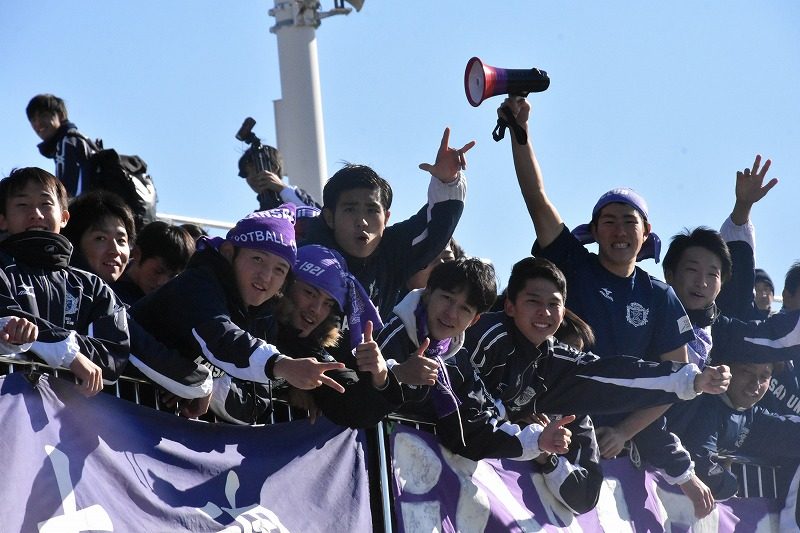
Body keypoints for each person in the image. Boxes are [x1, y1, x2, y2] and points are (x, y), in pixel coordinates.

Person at [501, 96, 696, 476]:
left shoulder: (660, 296)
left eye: (629, 221)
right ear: (593, 231)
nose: (619, 231)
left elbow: (677, 380)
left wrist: (624, 432)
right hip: (554, 429)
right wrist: (520, 132)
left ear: (646, 232)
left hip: (617, 454)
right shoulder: (574, 265)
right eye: (608, 222)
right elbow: (536, 199)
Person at [456, 257, 731, 515]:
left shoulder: (556, 361)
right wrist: (526, 434)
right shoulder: (484, 336)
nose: (544, 312)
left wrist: (692, 380)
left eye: (553, 304)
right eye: (533, 301)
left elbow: (614, 375)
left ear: (563, 311)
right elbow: (467, 424)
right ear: (510, 306)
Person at [131, 204, 349, 416]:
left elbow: (256, 403)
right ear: (228, 253)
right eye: (258, 259)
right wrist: (281, 364)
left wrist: (210, 386)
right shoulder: (197, 283)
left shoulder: (264, 316)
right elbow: (220, 336)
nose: (266, 277)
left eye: (279, 269)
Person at [377, 257, 575, 462]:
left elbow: (475, 430)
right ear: (428, 293)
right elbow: (362, 400)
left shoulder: (457, 359)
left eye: (465, 309)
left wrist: (538, 440)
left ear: (474, 320)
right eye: (447, 298)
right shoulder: (393, 332)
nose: (451, 314)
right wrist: (395, 375)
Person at [213, 244, 403, 426]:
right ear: (284, 286)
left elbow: (356, 411)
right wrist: (284, 385)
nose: (316, 309)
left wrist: (380, 376)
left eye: (328, 303)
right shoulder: (239, 316)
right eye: (310, 293)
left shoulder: (311, 350)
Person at [302, 127, 473, 320]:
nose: (362, 222)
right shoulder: (300, 258)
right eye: (350, 209)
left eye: (372, 210)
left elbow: (435, 228)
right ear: (329, 218)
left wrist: (448, 181)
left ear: (386, 218)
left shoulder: (392, 253)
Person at [0, 167, 129, 396]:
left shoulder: (92, 287)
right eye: (22, 205)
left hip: (69, 414)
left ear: (64, 217)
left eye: (46, 204)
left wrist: (44, 340)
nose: (36, 214)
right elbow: (5, 317)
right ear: (3, 220)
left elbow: (112, 355)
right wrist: (68, 354)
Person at [662, 358, 800, 531]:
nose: (755, 384)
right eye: (747, 372)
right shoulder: (707, 405)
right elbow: (703, 466)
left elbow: (790, 434)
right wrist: (732, 485)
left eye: (764, 377)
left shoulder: (750, 414)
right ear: (726, 371)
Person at [26, 94, 94, 198]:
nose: (38, 123)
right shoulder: (78, 139)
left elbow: (68, 194)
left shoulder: (67, 143)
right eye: (33, 120)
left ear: (61, 116)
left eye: (44, 115)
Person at [112, 221, 195, 305]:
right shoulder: (108, 284)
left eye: (173, 276)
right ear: (137, 254)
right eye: (158, 271)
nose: (162, 282)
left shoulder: (173, 303)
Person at [62, 190, 135, 285]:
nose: (115, 250)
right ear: (74, 244)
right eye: (101, 238)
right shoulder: (57, 289)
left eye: (121, 240)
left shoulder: (133, 293)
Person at [237, 143, 321, 212]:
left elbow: (317, 218)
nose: (250, 177)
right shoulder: (257, 216)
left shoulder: (299, 196)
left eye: (254, 168)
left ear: (274, 168)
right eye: (245, 174)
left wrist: (282, 188)